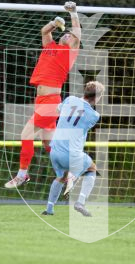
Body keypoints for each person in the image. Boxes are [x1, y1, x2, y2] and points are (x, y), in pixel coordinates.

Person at [5, 1, 82, 189]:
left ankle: (23, 174)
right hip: (41, 101)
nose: (67, 35)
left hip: (51, 101)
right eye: (65, 33)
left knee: (26, 134)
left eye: (69, 35)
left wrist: (73, 13)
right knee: (50, 145)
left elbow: (77, 34)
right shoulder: (50, 47)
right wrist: (55, 24)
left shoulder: (69, 52)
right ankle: (70, 172)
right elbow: (44, 32)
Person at [41, 81, 105, 217]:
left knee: (60, 177)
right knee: (92, 169)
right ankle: (80, 202)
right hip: (70, 154)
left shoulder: (70, 99)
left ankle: (49, 209)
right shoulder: (94, 115)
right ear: (97, 97)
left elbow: (58, 110)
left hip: (55, 151)